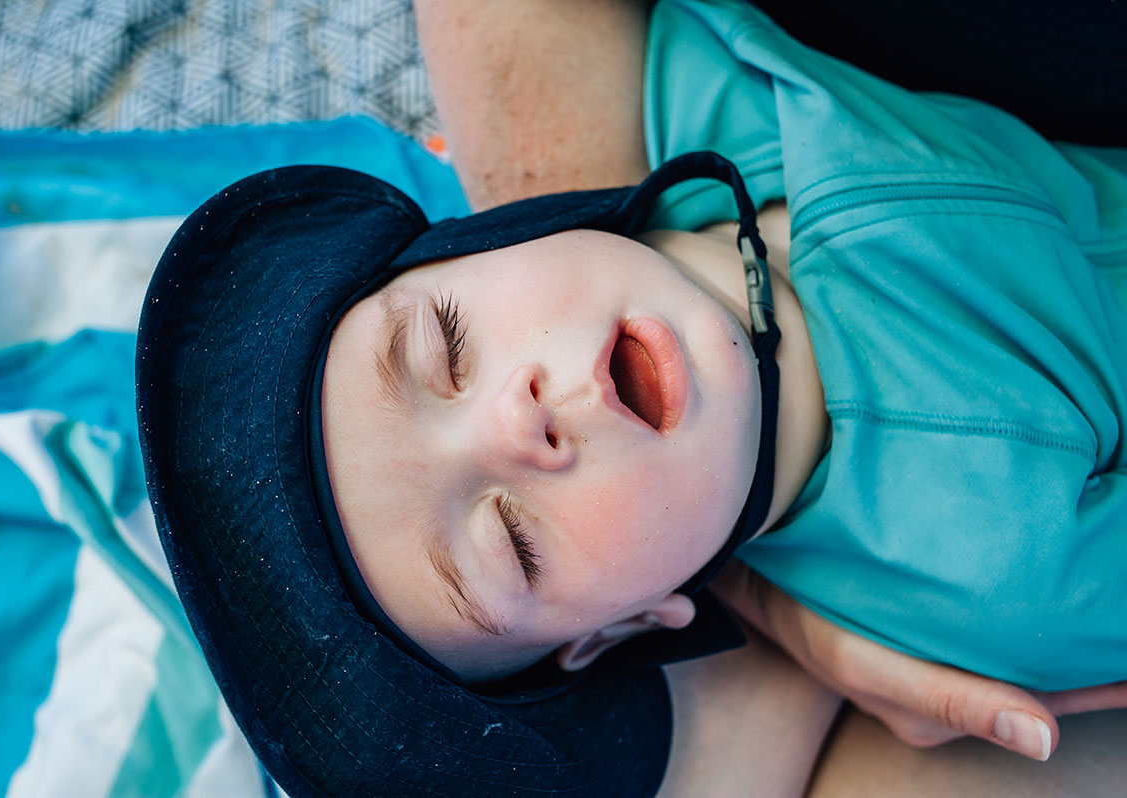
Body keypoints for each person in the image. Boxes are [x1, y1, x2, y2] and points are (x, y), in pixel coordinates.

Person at [136, 0, 1127, 794]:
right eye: (513, 543)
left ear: (492, 235)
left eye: (447, 343)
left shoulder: (696, 88)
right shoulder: (995, 566)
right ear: (629, 625)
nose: (518, 418)